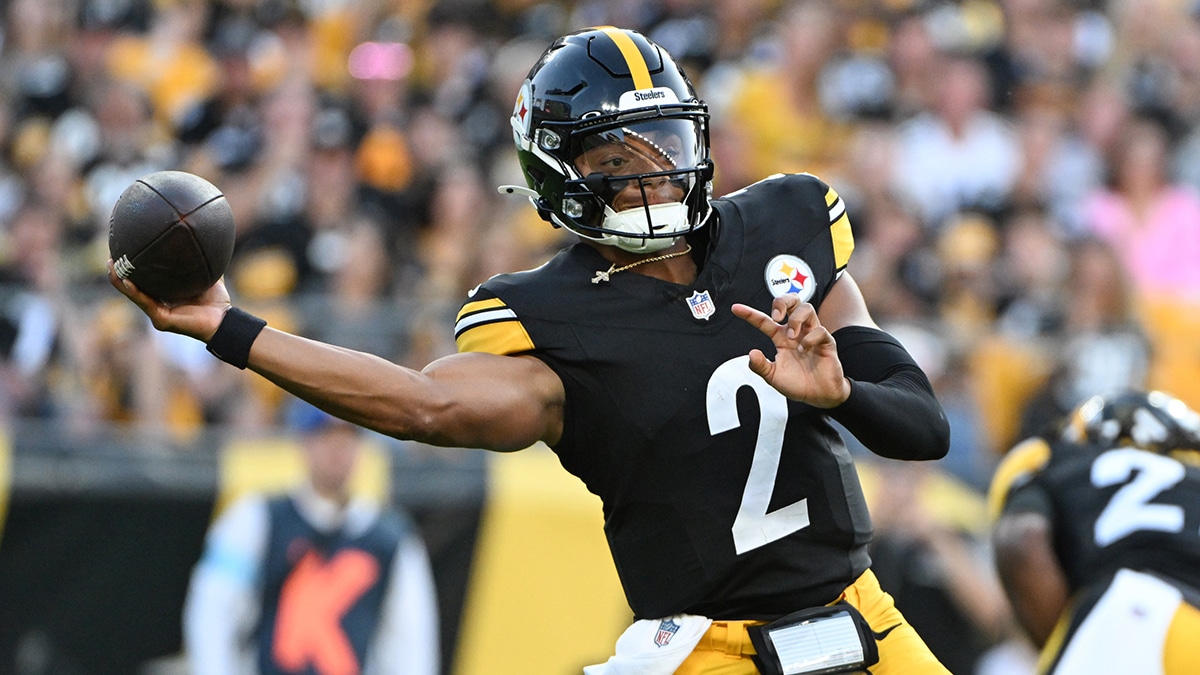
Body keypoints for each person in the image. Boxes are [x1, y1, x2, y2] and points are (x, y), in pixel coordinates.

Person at [114, 27, 950, 675]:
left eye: (666, 144)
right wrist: (231, 329)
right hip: (707, 648)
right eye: (620, 159)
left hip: (859, 612)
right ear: (558, 173)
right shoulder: (552, 317)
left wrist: (844, 397)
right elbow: (422, 403)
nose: (656, 177)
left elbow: (922, 426)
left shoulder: (785, 227)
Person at [182, 400, 439, 675]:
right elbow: (212, 613)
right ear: (303, 442)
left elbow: (412, 638)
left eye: (348, 437)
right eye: (326, 436)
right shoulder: (255, 519)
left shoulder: (391, 537)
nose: (338, 450)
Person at [988, 389, 1200, 673]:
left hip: (1127, 616)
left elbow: (1022, 540)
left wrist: (1064, 639)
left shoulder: (1054, 460)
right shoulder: (1191, 479)